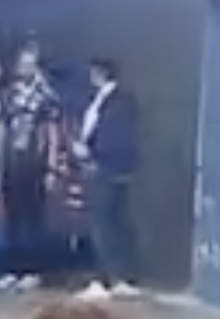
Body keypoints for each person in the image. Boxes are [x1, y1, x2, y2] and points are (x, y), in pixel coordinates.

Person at [0, 40, 61, 292]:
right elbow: (1, 129)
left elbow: (52, 133)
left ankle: (34, 270)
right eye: (22, 64)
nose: (25, 68)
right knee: (12, 219)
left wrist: (52, 168)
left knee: (34, 220)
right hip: (12, 164)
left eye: (30, 64)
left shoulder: (46, 96)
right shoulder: (7, 95)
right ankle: (13, 269)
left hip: (36, 164)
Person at [73, 57, 141, 301]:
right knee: (117, 222)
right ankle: (123, 278)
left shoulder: (118, 101)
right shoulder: (111, 100)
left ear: (100, 73)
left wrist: (90, 153)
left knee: (102, 223)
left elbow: (115, 137)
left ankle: (104, 279)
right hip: (113, 168)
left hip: (107, 168)